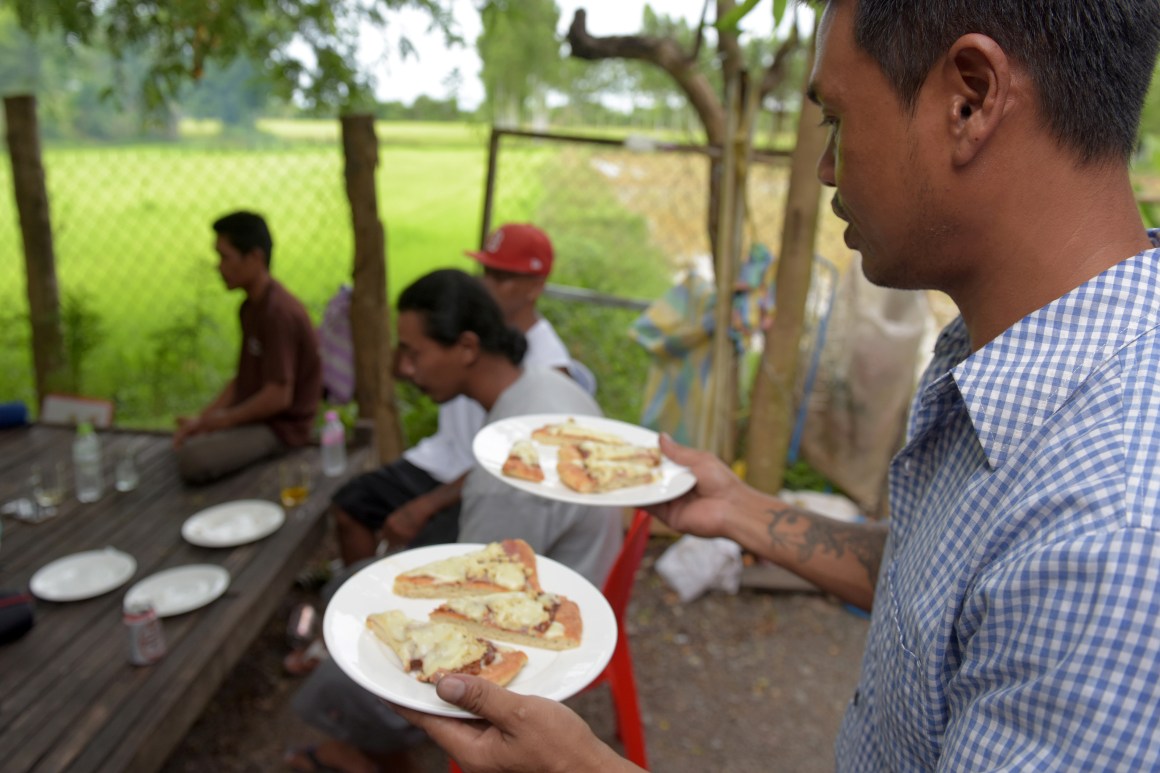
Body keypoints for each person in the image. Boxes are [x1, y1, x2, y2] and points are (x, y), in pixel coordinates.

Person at [394, 0, 1160, 770]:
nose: (827, 166)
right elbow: (949, 581)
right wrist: (743, 510)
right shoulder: (1010, 352)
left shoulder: (1112, 530)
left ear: (969, 98)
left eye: (835, 119)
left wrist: (575, 764)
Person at [286, 269, 622, 772]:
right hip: (583, 564)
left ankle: (378, 756)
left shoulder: (506, 480)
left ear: (466, 347)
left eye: (414, 352)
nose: (404, 368)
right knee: (357, 587)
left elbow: (481, 597)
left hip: (540, 622)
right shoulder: (541, 388)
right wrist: (431, 504)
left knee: (352, 661)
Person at [329, 223, 571, 563]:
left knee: (425, 564)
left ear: (536, 287)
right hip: (442, 462)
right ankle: (357, 584)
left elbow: (513, 468)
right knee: (350, 504)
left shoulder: (546, 368)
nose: (487, 285)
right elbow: (405, 368)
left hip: (483, 482)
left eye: (502, 277)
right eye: (485, 272)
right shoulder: (471, 325)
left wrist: (426, 506)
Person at [173, 211, 321, 484]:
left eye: (225, 257)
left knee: (193, 460)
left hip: (281, 431)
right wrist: (202, 421)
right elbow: (242, 379)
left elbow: (279, 395)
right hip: (256, 422)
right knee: (182, 446)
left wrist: (222, 421)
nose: (219, 267)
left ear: (255, 258)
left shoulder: (278, 313)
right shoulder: (250, 307)